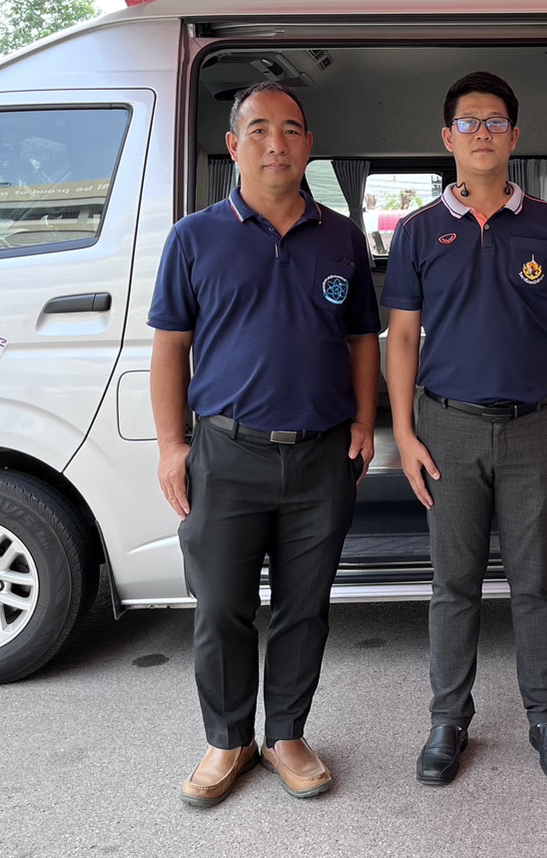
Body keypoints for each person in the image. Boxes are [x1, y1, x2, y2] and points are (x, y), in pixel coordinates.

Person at [149, 81, 380, 807]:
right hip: (226, 453)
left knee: (304, 606)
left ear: (308, 145)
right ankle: (228, 739)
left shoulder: (341, 236)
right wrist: (171, 446)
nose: (275, 143)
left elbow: (362, 338)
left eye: (290, 129)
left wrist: (362, 421)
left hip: (321, 455)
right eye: (258, 129)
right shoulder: (194, 237)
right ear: (233, 146)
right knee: (220, 606)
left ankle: (285, 734)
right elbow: (170, 347)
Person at [383, 71, 547, 785]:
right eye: (468, 122)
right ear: (448, 137)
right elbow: (401, 338)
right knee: (454, 584)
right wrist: (406, 432)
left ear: (514, 136)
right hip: (448, 429)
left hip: (537, 426)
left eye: (495, 121)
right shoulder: (418, 231)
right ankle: (448, 719)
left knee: (536, 583)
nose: (481, 132)